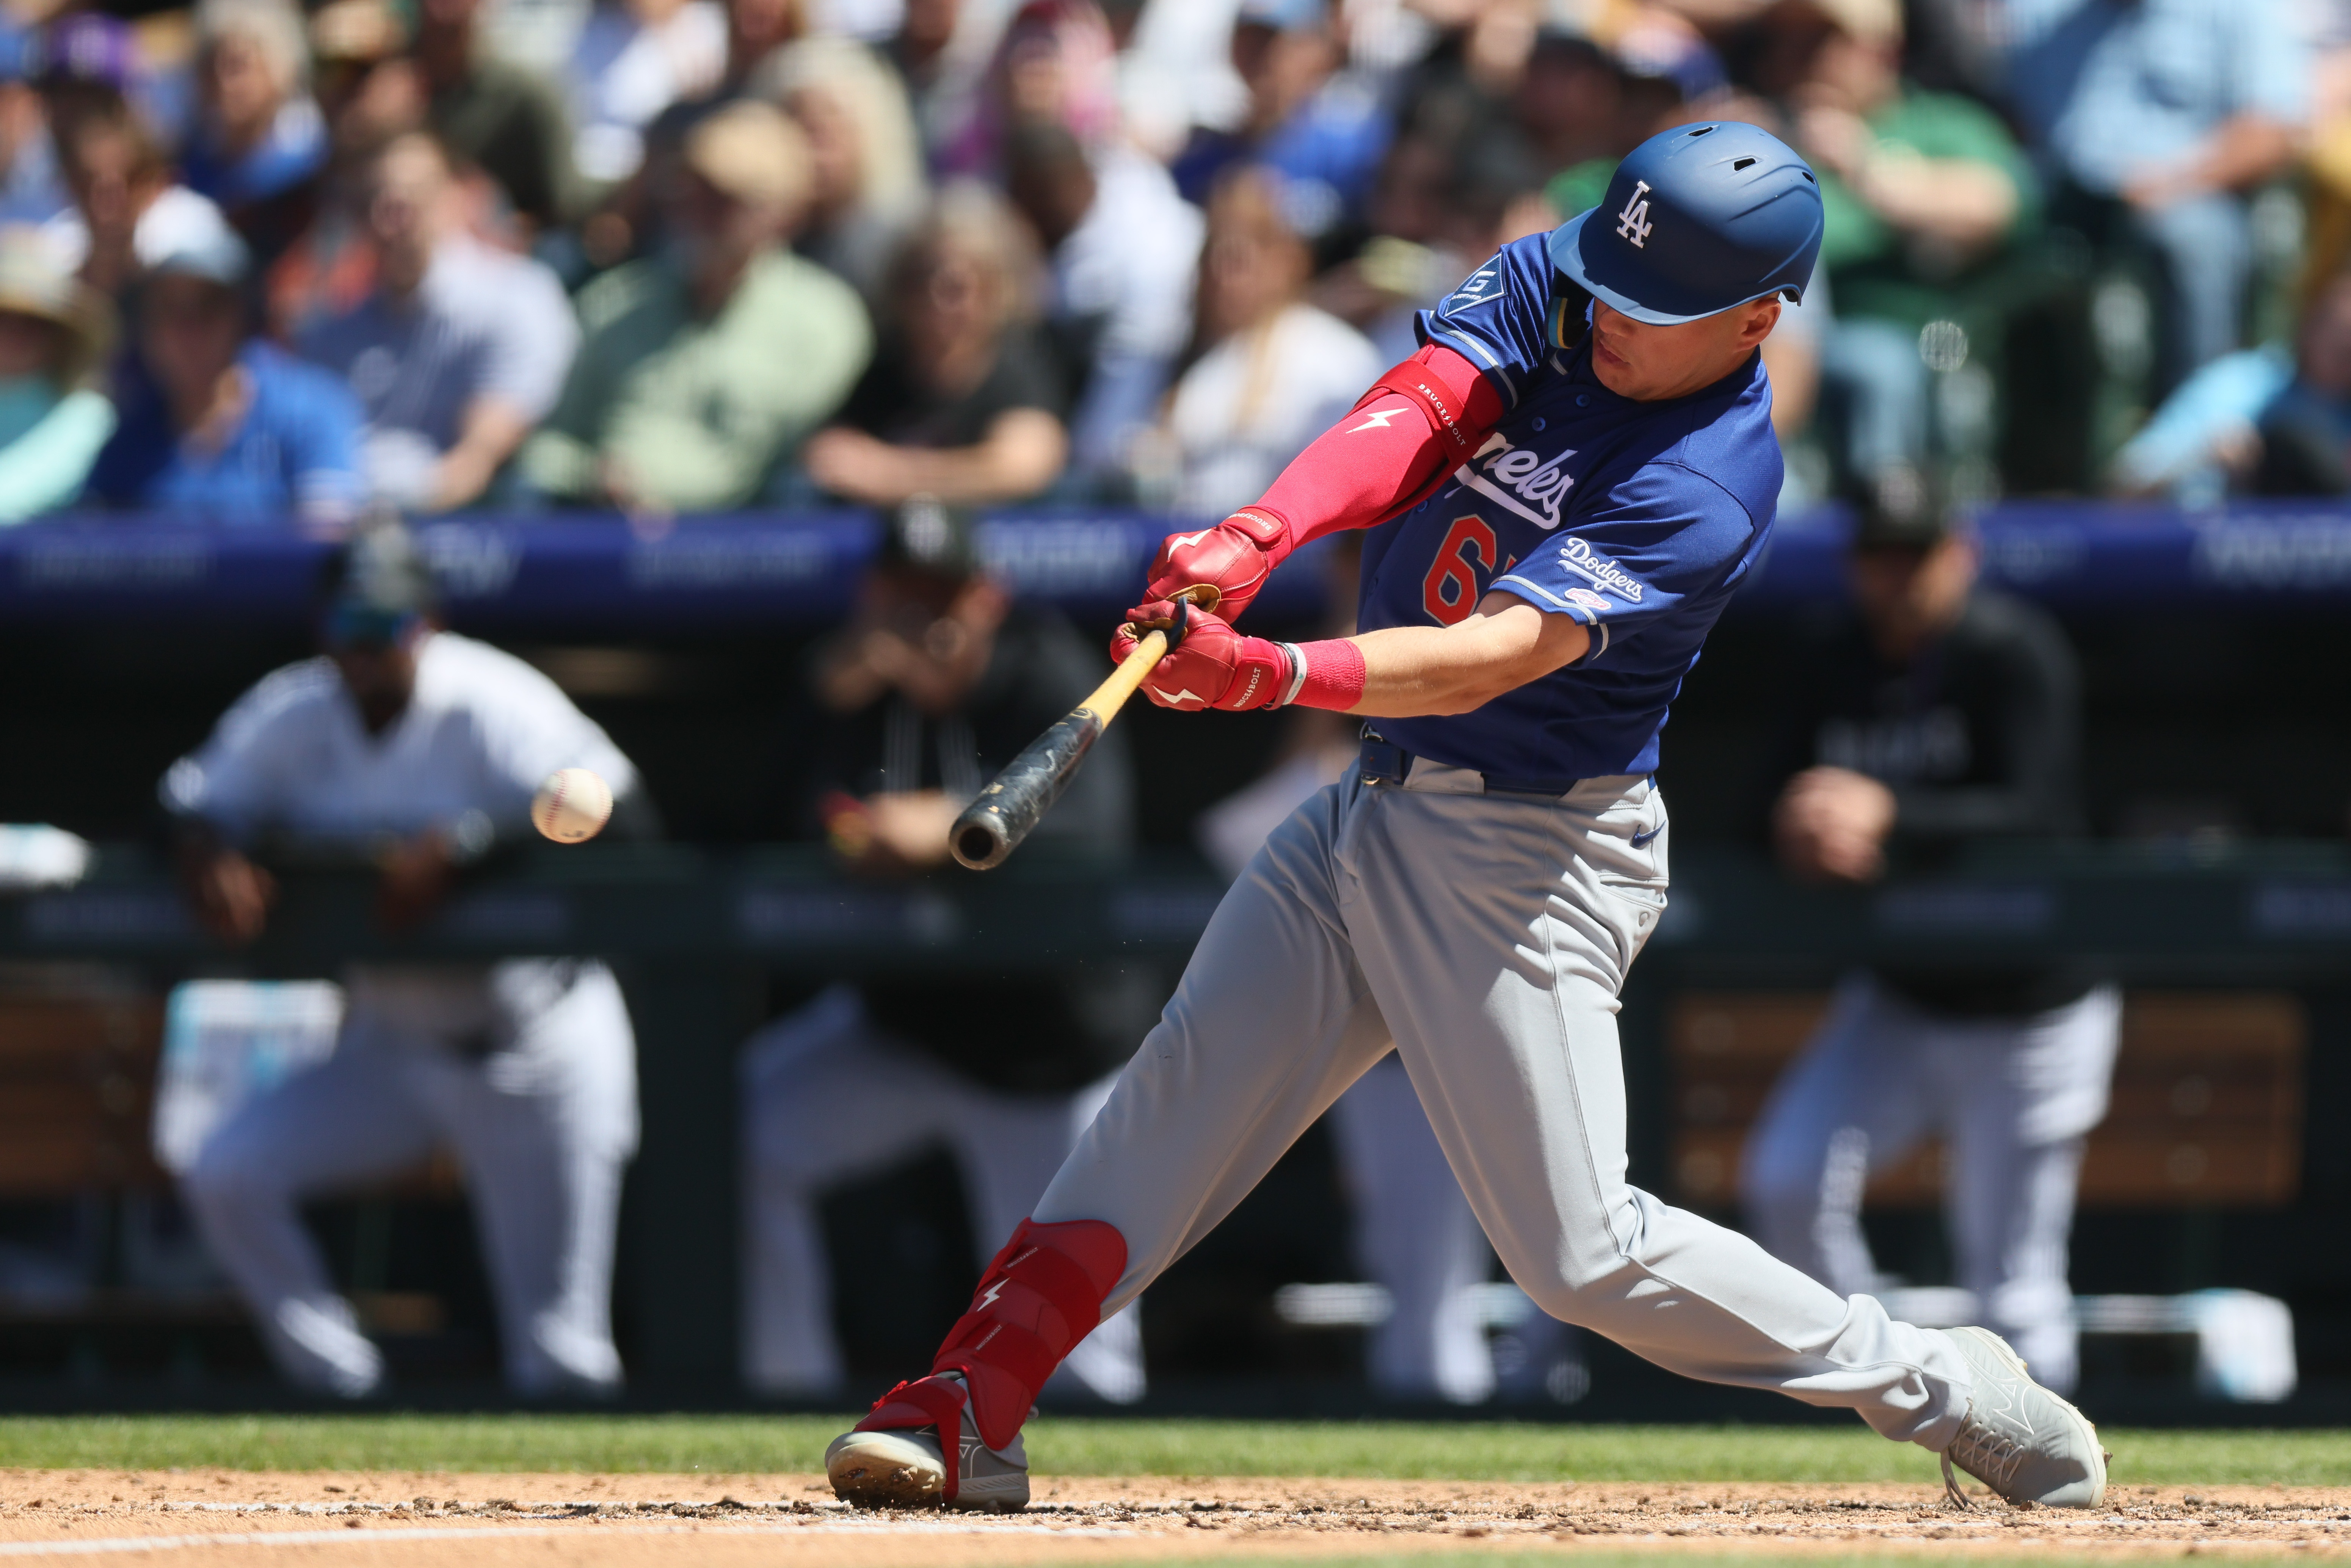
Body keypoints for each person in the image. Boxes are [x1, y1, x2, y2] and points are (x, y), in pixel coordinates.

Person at [822, 122, 2107, 1515]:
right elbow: (1419, 409)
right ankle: (968, 1397)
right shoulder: (1564, 286)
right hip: (1370, 808)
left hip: (1529, 854)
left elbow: (1500, 650)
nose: (1611, 320)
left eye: (1655, 311)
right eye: (1609, 287)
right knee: (1166, 1108)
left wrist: (1274, 674)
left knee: (1581, 1256)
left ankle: (1932, 1382)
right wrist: (1258, 533)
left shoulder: (1711, 475)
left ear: (1755, 318)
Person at [167, 521, 646, 1398]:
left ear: (423, 623)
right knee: (229, 1170)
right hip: (393, 1043)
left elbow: (620, 799)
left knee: (560, 1354)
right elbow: (195, 799)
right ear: (323, 629)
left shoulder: (489, 697)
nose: (363, 647)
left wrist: (467, 847)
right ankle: (345, 1386)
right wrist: (212, 851)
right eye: (348, 625)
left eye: (384, 624)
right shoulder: (294, 708)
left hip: (533, 1041)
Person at [739, 498, 1146, 1406]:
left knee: (1083, 1360)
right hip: (905, 1033)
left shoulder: (1044, 668)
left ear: (985, 597)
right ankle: (781, 1397)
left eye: (940, 598)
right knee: (743, 1131)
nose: (918, 622)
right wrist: (817, 712)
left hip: (1047, 1055)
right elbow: (744, 834)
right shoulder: (847, 686)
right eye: (897, 596)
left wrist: (947, 827)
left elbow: (1094, 834)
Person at [1740, 475, 2116, 1396]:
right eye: (1878, 555)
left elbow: (2041, 811)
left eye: (1917, 553)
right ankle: (1887, 1385)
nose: (1897, 575)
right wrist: (1796, 822)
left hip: (2029, 1008)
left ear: (1961, 555)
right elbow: (1755, 796)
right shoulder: (1830, 656)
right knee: (1784, 1177)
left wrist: (1889, 814)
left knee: (2012, 1281)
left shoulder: (2008, 648)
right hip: (1900, 997)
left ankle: (2050, 1474)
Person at [519, 99, 870, 511]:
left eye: (730, 199)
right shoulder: (616, 302)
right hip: (601, 531)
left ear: (782, 214)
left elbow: (780, 465)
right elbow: (548, 443)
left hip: (738, 549)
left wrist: (665, 495)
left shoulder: (826, 320)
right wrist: (594, 475)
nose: (702, 211)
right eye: (693, 190)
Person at [1749, 0, 2033, 486]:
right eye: (1789, 42)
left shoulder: (1939, 122)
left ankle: (1887, 525)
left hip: (1892, 331)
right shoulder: (1757, 129)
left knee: (1879, 364)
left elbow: (1996, 205)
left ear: (1884, 51)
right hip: (1760, 333)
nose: (1802, 58)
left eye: (1824, 42)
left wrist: (1864, 165)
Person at [2002, 0, 2307, 393]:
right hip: (2062, 198)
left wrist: (2175, 183)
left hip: (2183, 196)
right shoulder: (2042, 13)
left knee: (2198, 242)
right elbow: (2008, 114)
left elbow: (2272, 128)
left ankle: (2191, 422)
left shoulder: (2236, 9)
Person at [299, 132, 579, 510]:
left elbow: (476, 462)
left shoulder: (518, 298)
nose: (389, 222)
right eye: (373, 203)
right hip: (354, 528)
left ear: (455, 198)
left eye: (409, 201)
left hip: (478, 532)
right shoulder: (332, 330)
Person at [801, 182, 1065, 505]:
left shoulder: (1017, 368)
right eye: (921, 281)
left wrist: (888, 476)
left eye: (956, 288)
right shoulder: (879, 370)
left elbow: (1022, 467)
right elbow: (831, 458)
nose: (936, 302)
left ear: (994, 292)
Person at [87, 228, 364, 527]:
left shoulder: (310, 409)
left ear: (243, 317)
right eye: (169, 311)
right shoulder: (129, 438)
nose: (188, 331)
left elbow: (328, 550)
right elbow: (92, 549)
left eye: (207, 308)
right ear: (144, 329)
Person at [1149, 163, 1381, 517]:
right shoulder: (1175, 352)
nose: (1225, 276)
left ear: (1287, 258)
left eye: (1241, 258)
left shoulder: (1336, 358)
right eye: (1215, 257)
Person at [1002, 119, 1200, 488]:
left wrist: (1088, 461)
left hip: (1160, 375)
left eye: (1036, 194)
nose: (1024, 208)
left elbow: (1133, 361)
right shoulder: (1119, 176)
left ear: (1074, 180)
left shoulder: (1135, 252)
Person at [1168, 0, 1389, 245]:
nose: (1261, 60)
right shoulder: (1200, 157)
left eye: (1275, 43)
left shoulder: (1359, 152)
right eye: (1249, 41)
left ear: (1319, 52)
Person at [182, 0, 331, 267]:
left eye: (237, 66)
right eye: (210, 66)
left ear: (278, 66)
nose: (223, 82)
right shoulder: (189, 168)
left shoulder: (315, 159)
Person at [0, 233, 116, 523]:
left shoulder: (89, 416)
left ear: (58, 335)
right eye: (4, 319)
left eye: (33, 324)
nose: (15, 336)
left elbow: (29, 494)